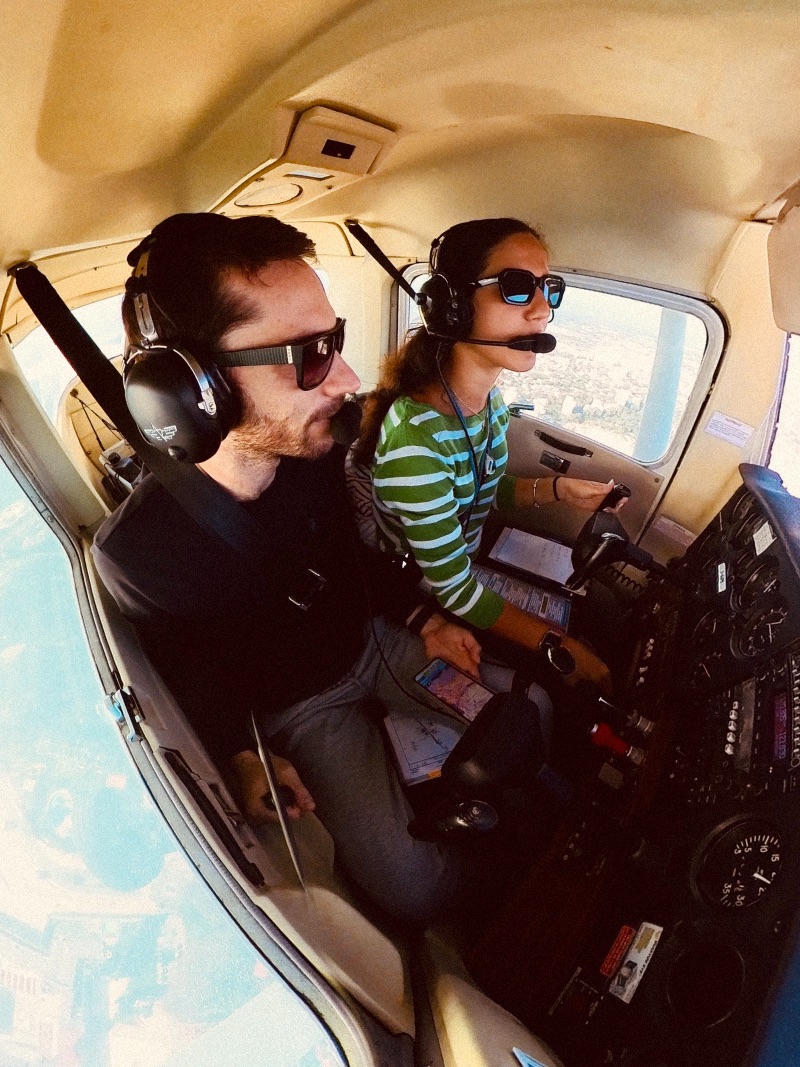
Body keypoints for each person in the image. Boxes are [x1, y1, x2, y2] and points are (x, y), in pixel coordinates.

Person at [91, 212, 545, 925]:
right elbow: (185, 671)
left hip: (373, 642)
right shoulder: (139, 556)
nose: (349, 378)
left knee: (531, 712)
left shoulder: (318, 446)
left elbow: (355, 556)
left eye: (332, 341)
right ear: (192, 389)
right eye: (307, 354)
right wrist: (242, 754)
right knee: (411, 888)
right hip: (302, 710)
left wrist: (423, 617)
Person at [352, 218, 617, 688]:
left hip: (467, 564)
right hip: (427, 587)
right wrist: (558, 645)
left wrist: (559, 490)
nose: (542, 312)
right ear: (451, 308)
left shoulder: (488, 402)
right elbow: (451, 587)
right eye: (517, 288)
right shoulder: (417, 441)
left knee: (602, 611)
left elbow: (482, 490)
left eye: (548, 289)